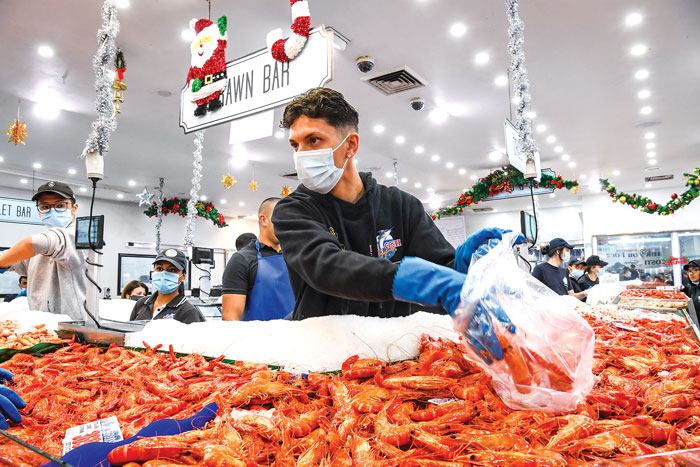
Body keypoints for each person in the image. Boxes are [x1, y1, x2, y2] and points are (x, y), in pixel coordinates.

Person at [271, 87, 524, 329]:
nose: (301, 154)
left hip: (394, 354)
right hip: (325, 362)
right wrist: (410, 277)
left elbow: (442, 270)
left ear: (351, 145)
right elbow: (326, 266)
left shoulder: (402, 205)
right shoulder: (293, 211)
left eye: (313, 140)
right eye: (295, 145)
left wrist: (465, 262)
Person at [0, 181, 86, 320]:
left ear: (74, 208)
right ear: (39, 212)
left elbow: (36, 243)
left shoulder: (76, 236)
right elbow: (16, 262)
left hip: (71, 325)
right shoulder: (44, 245)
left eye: (60, 205)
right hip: (42, 323)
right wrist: (5, 263)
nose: (52, 210)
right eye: (45, 206)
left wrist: (1, 262)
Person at [222, 198, 295, 321]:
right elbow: (231, 319)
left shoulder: (294, 258)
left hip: (295, 336)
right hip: (257, 338)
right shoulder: (241, 260)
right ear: (264, 220)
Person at [130, 249, 204, 324]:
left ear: (183, 276)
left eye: (172, 270)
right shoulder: (142, 303)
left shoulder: (188, 311)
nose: (164, 274)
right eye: (159, 269)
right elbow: (129, 331)